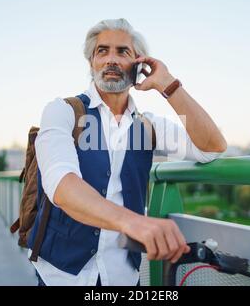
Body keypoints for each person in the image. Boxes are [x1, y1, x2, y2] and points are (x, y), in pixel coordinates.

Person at [30, 18, 227, 286]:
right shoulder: (62, 111)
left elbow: (212, 148)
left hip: (122, 277)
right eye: (103, 51)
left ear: (139, 65)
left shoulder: (148, 126)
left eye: (123, 52)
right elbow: (62, 186)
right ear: (92, 63)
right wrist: (134, 223)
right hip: (61, 277)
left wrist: (168, 84)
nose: (112, 59)